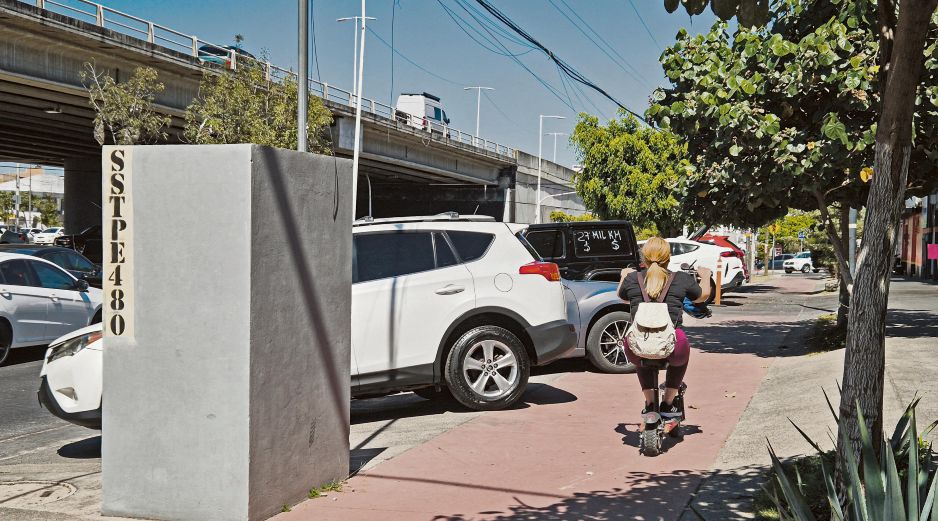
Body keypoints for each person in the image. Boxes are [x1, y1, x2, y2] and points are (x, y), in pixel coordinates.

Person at [617, 237, 711, 422]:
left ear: (643, 258)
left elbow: (623, 297)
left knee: (641, 352)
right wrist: (706, 276)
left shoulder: (632, 278)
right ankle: (668, 403)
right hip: (672, 348)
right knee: (682, 349)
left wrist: (624, 275)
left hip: (636, 349)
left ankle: (650, 403)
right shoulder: (681, 278)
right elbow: (702, 296)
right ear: (668, 257)